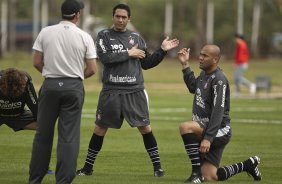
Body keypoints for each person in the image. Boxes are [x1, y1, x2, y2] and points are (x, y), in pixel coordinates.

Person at [76, 3, 179, 177]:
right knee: (100, 128)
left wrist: (162, 51)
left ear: (129, 19)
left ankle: (158, 168)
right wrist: (128, 53)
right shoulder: (104, 35)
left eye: (124, 17)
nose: (121, 20)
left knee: (145, 128)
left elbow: (146, 63)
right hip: (111, 91)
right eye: (118, 16)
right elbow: (105, 58)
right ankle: (87, 168)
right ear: (113, 17)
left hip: (134, 91)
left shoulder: (136, 37)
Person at [29, 0, 97, 183]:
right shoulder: (84, 36)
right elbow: (92, 69)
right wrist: (74, 76)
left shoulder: (45, 32)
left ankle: (35, 179)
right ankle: (64, 180)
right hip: (73, 87)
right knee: (69, 137)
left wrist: (52, 74)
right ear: (77, 14)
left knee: (43, 134)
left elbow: (36, 62)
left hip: (50, 85)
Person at [176, 45, 261, 183]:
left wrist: (208, 138)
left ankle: (195, 174)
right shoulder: (204, 74)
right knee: (210, 176)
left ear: (215, 59)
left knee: (186, 127)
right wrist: (185, 64)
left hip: (219, 129)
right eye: (201, 54)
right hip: (208, 127)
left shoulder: (219, 80)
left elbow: (218, 111)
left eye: (205, 55)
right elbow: (193, 87)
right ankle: (249, 164)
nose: (200, 57)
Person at [0, 68, 54, 174]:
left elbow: (35, 107)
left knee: (46, 127)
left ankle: (42, 167)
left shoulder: (26, 81)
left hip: (19, 115)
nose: (15, 89)